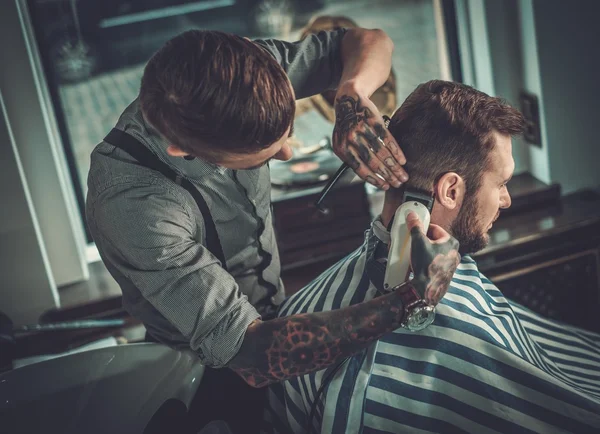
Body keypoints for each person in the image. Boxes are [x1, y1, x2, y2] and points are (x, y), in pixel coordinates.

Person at [85, 29, 460, 433]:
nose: (285, 153)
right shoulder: (133, 206)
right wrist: (411, 301)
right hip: (202, 368)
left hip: (277, 309)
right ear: (184, 151)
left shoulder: (240, 73)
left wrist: (350, 96)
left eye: (287, 135)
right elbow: (250, 354)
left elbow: (371, 40)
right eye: (258, 158)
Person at [263, 80, 600, 434]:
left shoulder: (298, 311)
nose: (506, 200)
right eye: (501, 184)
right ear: (451, 190)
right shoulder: (451, 325)